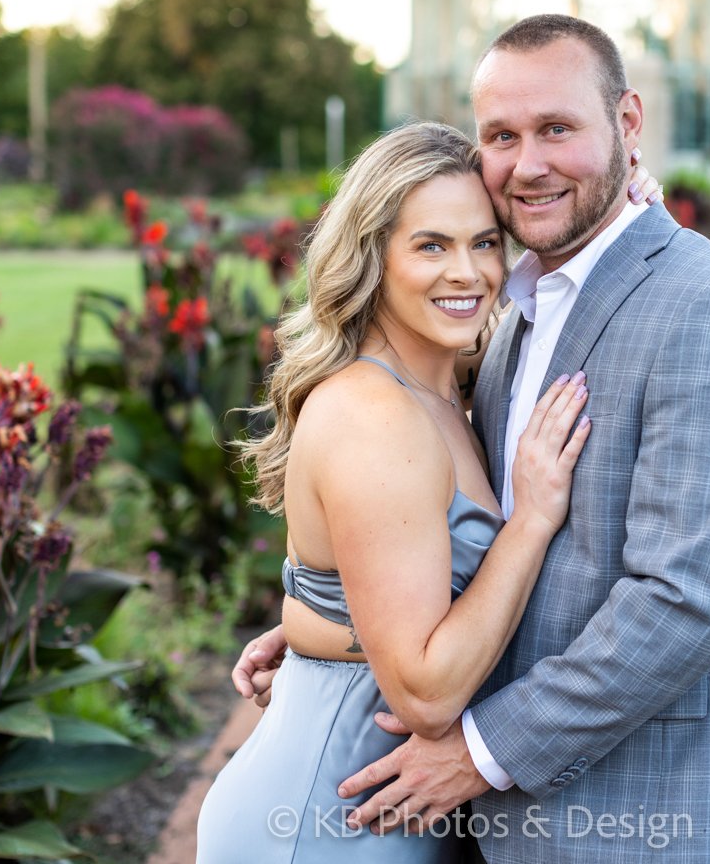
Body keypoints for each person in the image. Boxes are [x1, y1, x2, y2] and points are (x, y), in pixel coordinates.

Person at [234, 14, 710, 863]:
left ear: (628, 123)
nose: (528, 163)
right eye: (502, 135)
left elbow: (689, 599)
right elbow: (462, 529)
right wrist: (343, 623)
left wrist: (481, 752)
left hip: (642, 815)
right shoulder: (508, 315)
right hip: (474, 824)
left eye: (557, 129)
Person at [197, 120, 609, 863]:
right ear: (372, 257)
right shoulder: (377, 416)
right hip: (329, 819)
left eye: (484, 242)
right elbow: (423, 693)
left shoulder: (451, 387)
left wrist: (318, 624)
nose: (469, 273)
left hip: (393, 810)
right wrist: (532, 518)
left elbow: (398, 577)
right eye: (431, 245)